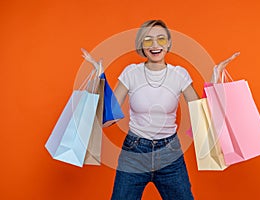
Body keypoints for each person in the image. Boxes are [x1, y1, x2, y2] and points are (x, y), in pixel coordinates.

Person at [82, 19, 239, 200]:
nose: (155, 45)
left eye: (161, 39)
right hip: (134, 153)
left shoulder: (179, 74)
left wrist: (214, 79)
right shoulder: (131, 73)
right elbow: (107, 118)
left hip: (169, 154)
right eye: (148, 40)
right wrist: (99, 76)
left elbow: (201, 113)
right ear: (141, 44)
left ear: (169, 43)